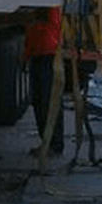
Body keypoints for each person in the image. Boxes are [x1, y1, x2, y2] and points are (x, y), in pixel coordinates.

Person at [26, 8, 64, 155]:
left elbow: (45, 22)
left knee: (47, 101)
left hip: (47, 53)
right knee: (40, 101)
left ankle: (53, 144)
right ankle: (49, 143)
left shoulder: (48, 1)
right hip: (40, 51)